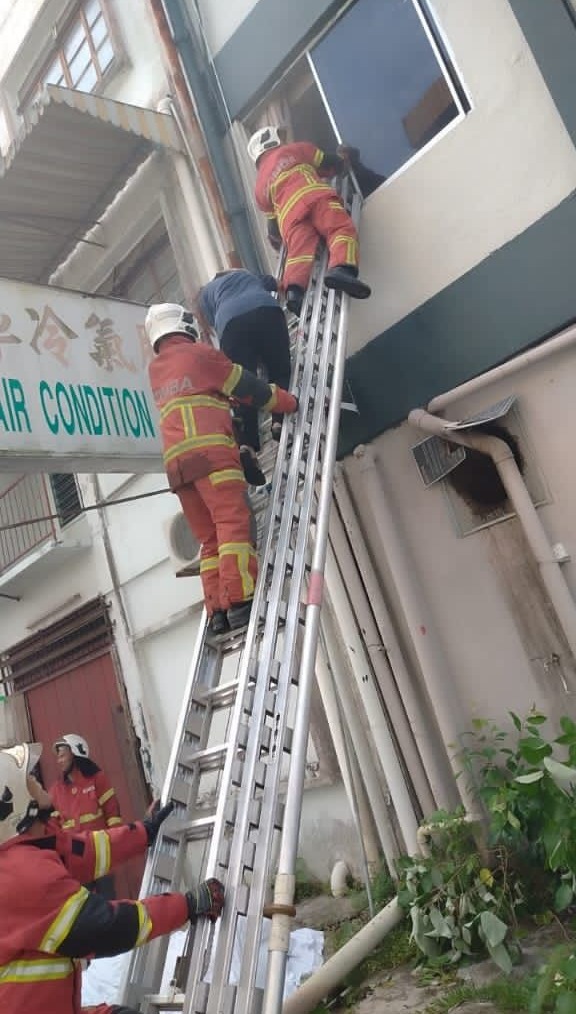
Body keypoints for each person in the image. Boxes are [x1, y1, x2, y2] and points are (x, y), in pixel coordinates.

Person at [0, 740, 224, 1014]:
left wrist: (144, 831)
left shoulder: (27, 851)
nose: (39, 782)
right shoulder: (22, 875)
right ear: (15, 802)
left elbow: (87, 850)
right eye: (29, 779)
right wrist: (186, 905)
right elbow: (105, 928)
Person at [146, 303, 298, 636]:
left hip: (178, 468)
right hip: (211, 455)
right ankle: (241, 599)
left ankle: (217, 610)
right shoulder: (199, 355)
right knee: (232, 523)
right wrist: (288, 401)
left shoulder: (157, 369)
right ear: (184, 324)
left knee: (210, 539)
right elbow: (248, 387)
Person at [247, 125, 372, 316]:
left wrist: (279, 244)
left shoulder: (259, 188)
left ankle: (294, 292)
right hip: (315, 197)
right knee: (339, 229)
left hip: (290, 219)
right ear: (273, 140)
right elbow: (328, 162)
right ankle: (342, 268)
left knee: (299, 253)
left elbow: (272, 227)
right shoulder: (296, 149)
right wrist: (344, 159)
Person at [196, 269, 292, 486]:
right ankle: (278, 421)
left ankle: (247, 445)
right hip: (267, 310)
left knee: (242, 386)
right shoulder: (247, 276)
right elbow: (277, 283)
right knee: (278, 370)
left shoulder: (207, 294)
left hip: (231, 324)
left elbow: (213, 326)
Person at [49, 733, 122, 900]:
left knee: (109, 903)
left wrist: (116, 843)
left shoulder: (97, 779)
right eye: (58, 757)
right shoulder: (55, 791)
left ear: (75, 753)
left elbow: (113, 813)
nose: (59, 761)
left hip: (101, 856)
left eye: (62, 755)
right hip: (77, 862)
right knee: (86, 908)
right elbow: (53, 829)